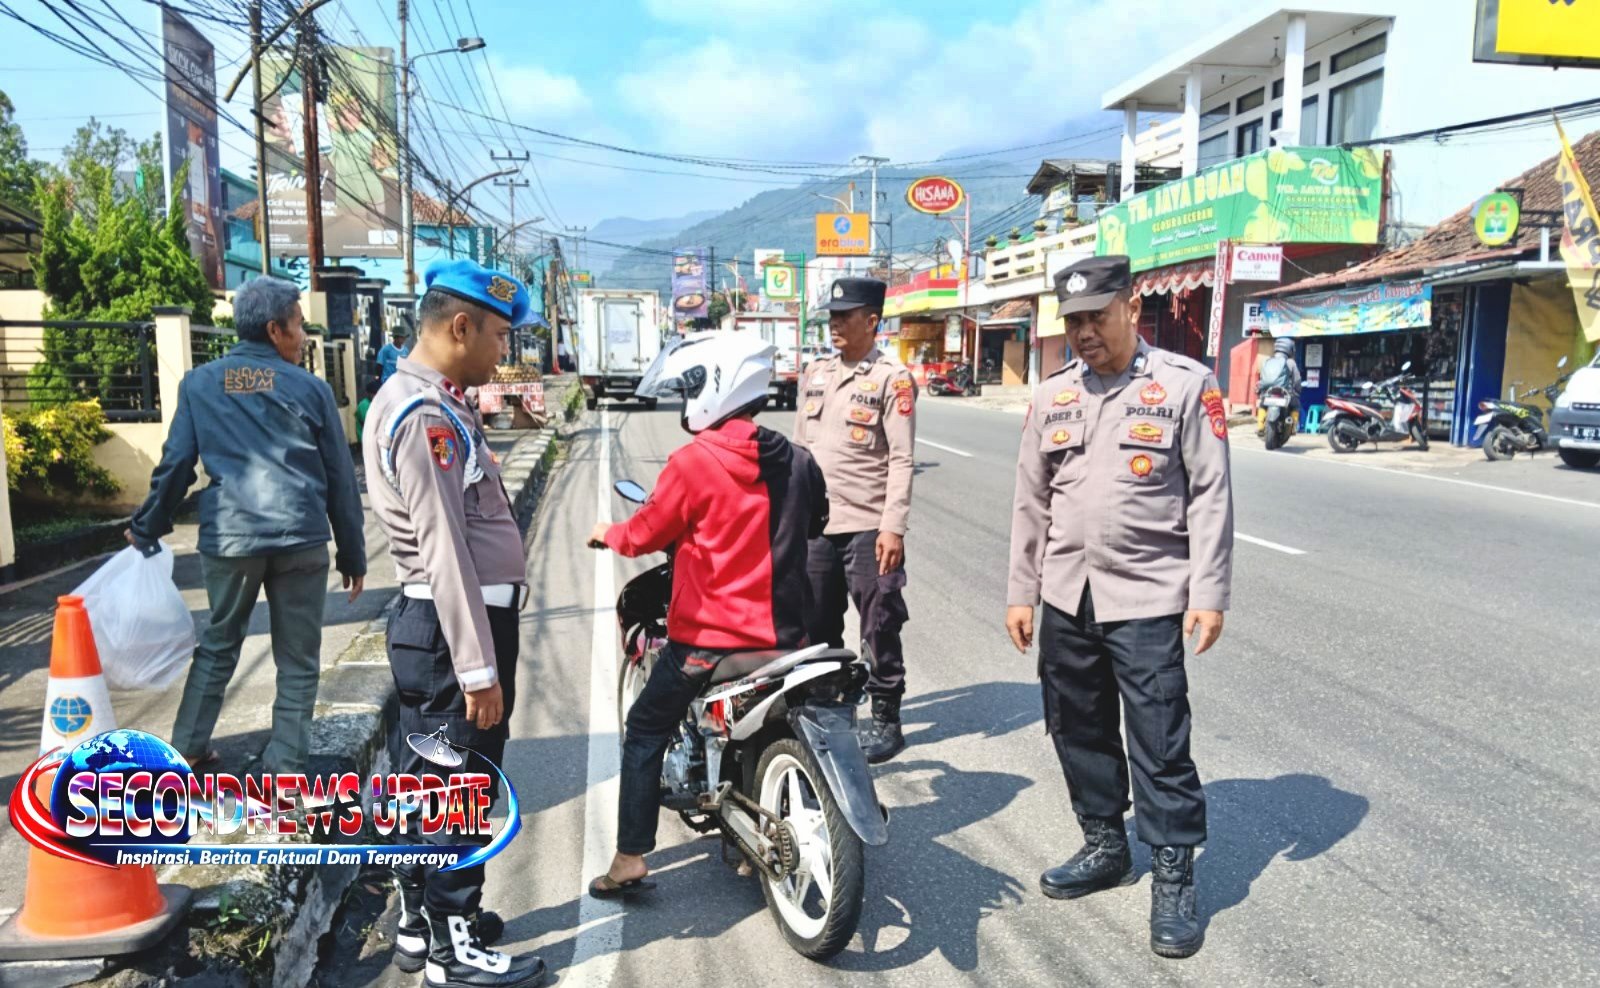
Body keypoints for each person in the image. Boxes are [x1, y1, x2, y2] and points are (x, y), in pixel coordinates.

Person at [1005, 255, 1234, 960]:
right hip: (1067, 593)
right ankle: (1106, 843)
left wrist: (1209, 593)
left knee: (1159, 739)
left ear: (1131, 310)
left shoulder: (1185, 386)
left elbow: (1210, 495)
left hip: (1147, 593)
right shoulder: (1053, 396)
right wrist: (1021, 590)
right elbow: (1031, 500)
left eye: (1096, 318)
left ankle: (1173, 874)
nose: (1084, 333)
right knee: (1077, 726)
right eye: (1073, 321)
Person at [586, 332, 827, 898]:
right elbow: (816, 522)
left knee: (645, 728)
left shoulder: (693, 463)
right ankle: (741, 840)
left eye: (688, 388)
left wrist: (606, 533)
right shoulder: (799, 460)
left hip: (709, 644)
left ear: (712, 387)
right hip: (789, 640)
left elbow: (644, 533)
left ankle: (628, 858)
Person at [363, 258, 546, 988]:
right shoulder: (426, 417)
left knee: (428, 784)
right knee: (457, 790)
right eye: (500, 336)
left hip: (440, 627)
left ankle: (421, 923)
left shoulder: (435, 402)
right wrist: (477, 668)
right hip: (452, 632)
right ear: (461, 327)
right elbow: (445, 549)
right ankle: (453, 949)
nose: (505, 352)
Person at [127, 276, 366, 775]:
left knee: (218, 645)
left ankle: (188, 748)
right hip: (301, 539)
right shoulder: (312, 389)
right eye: (298, 324)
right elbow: (339, 475)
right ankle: (286, 767)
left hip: (230, 539)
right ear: (275, 329)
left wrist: (148, 526)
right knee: (298, 660)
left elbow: (176, 464)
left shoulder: (200, 384)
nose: (303, 335)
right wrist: (352, 553)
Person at [792, 277, 916, 764]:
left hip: (868, 524)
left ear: (872, 321)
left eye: (845, 316)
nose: (835, 324)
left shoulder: (892, 379)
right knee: (816, 623)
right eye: (832, 316)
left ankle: (886, 717)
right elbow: (800, 451)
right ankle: (830, 711)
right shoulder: (815, 373)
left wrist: (893, 525)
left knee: (880, 622)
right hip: (817, 526)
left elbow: (902, 458)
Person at [1255, 336, 1302, 433]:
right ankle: (1293, 427)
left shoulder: (1268, 360)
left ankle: (1260, 425)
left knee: (1262, 404)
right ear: (1289, 349)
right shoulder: (1291, 362)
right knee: (1296, 405)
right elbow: (1297, 380)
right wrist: (1298, 390)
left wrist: (1259, 388)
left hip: (1269, 392)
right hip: (1285, 393)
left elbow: (1263, 378)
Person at [356, 378, 380, 442]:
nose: (375, 396)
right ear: (369, 393)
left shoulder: (377, 403)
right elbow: (369, 423)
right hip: (365, 438)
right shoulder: (364, 405)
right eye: (373, 394)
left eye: (377, 394)